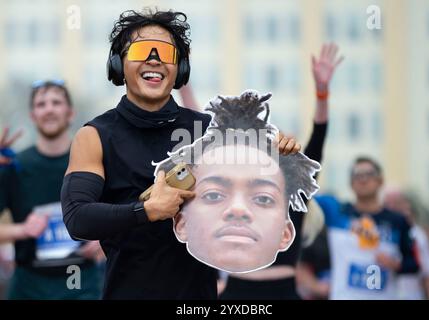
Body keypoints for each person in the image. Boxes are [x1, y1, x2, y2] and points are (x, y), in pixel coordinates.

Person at [60, 8, 300, 299]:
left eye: (165, 52)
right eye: (140, 50)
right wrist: (145, 211)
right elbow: (77, 219)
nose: (154, 59)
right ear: (118, 64)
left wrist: (278, 156)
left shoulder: (213, 133)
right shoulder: (95, 135)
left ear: (180, 69)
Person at [217, 43, 342, 300]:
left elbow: (318, 140)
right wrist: (183, 85)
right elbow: (204, 137)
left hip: (282, 292)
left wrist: (321, 92)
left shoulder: (294, 191)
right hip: (237, 293)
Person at [158, 91, 320, 273]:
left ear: (286, 232)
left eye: (263, 199)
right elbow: (201, 141)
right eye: (214, 195)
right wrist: (183, 86)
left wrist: (322, 96)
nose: (238, 209)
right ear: (181, 225)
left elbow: (316, 144)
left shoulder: (288, 202)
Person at [0, 81, 103, 299]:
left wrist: (106, 238)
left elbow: (126, 212)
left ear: (70, 113)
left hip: (82, 282)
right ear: (33, 116)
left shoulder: (94, 159)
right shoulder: (13, 166)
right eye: (41, 104)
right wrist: (23, 230)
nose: (49, 109)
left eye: (56, 102)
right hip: (29, 286)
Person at [317, 157, 419, 300]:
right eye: (357, 175)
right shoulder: (337, 212)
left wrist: (396, 264)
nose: (363, 179)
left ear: (380, 181)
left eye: (369, 174)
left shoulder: (398, 221)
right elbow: (303, 190)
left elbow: (414, 264)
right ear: (351, 183)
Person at [384, 187, 429, 299]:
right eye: (388, 203)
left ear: (406, 205)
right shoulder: (379, 233)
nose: (392, 207)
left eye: (396, 203)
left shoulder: (417, 235)